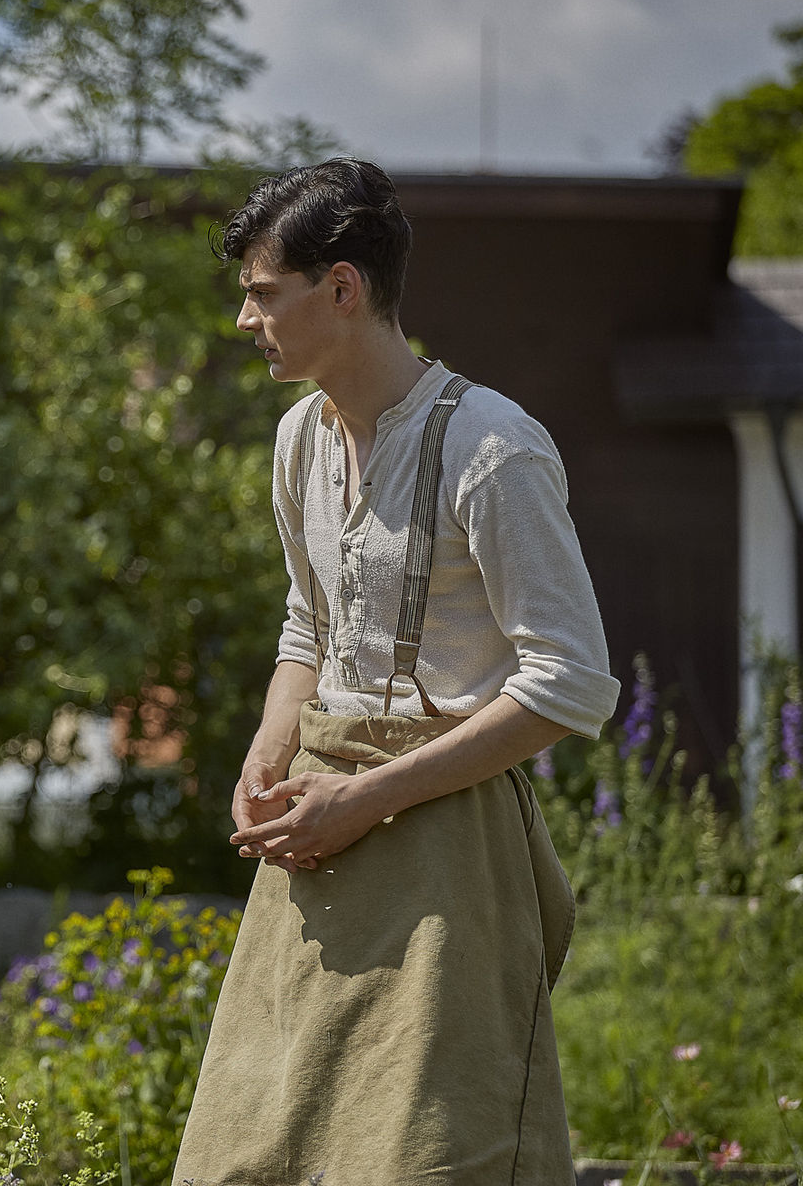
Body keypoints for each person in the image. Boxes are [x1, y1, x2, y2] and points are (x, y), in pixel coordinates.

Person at [170, 160, 619, 1185]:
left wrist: (367, 798)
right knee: (258, 1145)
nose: (245, 320)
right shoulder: (296, 443)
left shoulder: (492, 447)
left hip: (448, 842)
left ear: (342, 288)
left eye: (260, 292)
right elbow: (308, 625)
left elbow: (569, 682)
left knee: (424, 1151)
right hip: (317, 835)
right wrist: (268, 749)